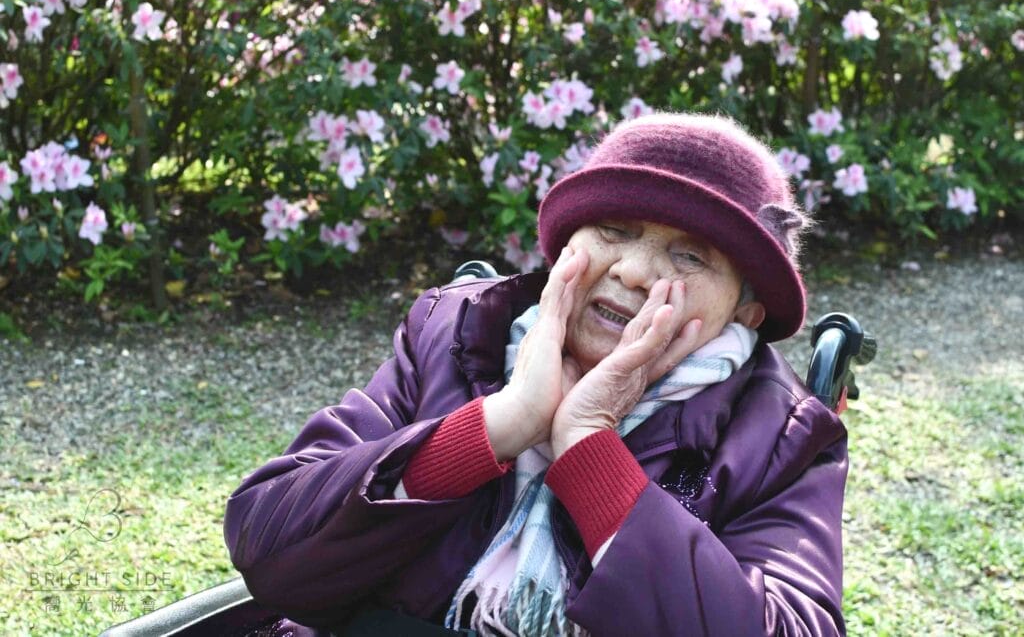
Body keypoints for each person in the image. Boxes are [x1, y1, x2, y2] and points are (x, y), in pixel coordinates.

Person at [224, 113, 848, 637]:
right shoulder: (456, 335)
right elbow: (267, 541)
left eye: (689, 255)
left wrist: (590, 447)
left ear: (744, 310)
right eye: (614, 230)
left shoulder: (780, 436)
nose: (632, 271)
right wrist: (500, 423)